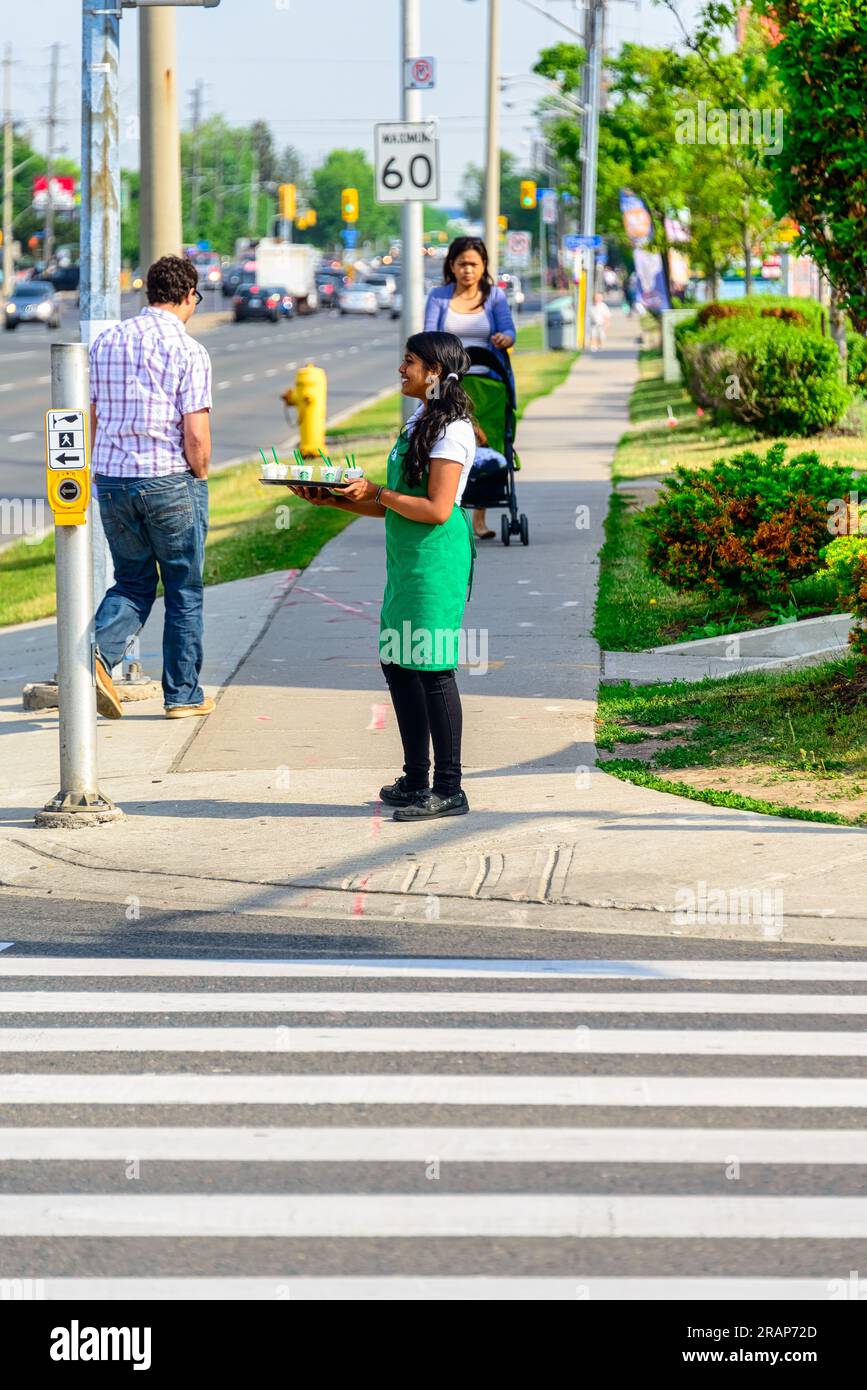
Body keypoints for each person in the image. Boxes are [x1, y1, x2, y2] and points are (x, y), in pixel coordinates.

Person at [295, 331, 475, 821]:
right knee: (398, 664)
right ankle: (417, 778)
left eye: (410, 362)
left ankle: (449, 788)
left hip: (434, 560)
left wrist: (376, 490)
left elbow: (437, 509)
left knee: (432, 668)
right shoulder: (421, 419)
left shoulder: (452, 430)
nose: (402, 369)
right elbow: (396, 505)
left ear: (434, 372)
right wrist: (334, 498)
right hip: (406, 560)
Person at [89, 254, 214, 721]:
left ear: (149, 293)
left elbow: (95, 416)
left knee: (133, 580)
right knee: (183, 587)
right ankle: (183, 695)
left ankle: (96, 658)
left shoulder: (107, 342)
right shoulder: (188, 350)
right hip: (169, 480)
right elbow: (195, 433)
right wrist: (199, 477)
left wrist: (96, 471)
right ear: (188, 296)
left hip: (114, 481)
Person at [424, 236, 515, 540]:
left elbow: (508, 330)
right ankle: (447, 509)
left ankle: (480, 517)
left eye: (474, 264)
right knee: (446, 444)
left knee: (485, 444)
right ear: (451, 265)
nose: (467, 270)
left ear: (483, 266)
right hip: (449, 384)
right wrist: (431, 387)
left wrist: (504, 338)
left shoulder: (495, 297)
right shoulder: (438, 297)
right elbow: (428, 339)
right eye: (462, 263)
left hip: (488, 381)